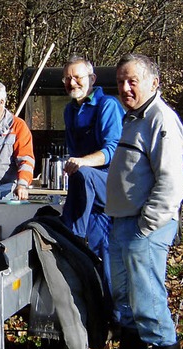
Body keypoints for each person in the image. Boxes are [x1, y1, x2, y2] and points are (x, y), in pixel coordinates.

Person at [99, 53, 183, 349]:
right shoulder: (131, 119)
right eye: (121, 81)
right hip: (122, 224)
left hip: (144, 227)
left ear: (153, 82)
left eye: (132, 80)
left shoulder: (161, 119)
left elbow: (171, 183)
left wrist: (146, 224)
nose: (125, 87)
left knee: (148, 302)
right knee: (126, 302)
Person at [59, 56, 125, 300]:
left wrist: (84, 162)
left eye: (78, 77)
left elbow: (113, 150)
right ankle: (105, 308)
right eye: (68, 78)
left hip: (110, 182)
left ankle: (71, 234)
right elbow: (73, 152)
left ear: (92, 79)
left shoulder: (107, 106)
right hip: (89, 191)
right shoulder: (70, 110)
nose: (72, 82)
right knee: (101, 251)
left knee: (84, 174)